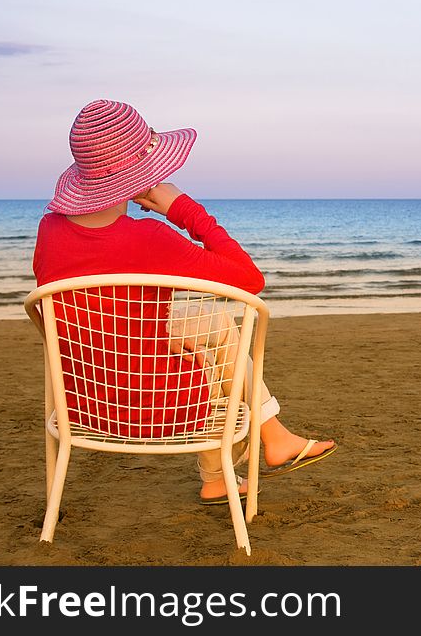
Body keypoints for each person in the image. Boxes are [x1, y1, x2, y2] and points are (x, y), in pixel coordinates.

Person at [32, 99, 336, 504]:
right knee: (216, 352)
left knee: (213, 322)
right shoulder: (150, 240)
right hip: (163, 408)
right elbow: (250, 279)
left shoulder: (50, 230)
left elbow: (91, 314)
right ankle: (246, 452)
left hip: (83, 403)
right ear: (141, 175)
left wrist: (159, 336)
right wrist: (183, 209)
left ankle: (262, 445)